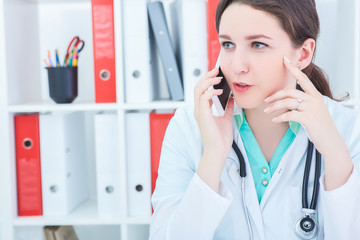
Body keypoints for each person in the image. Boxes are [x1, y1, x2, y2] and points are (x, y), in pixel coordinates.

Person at [149, 0, 360, 239]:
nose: (237, 65)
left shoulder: (349, 130)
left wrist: (335, 154)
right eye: (228, 44)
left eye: (258, 44)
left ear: (303, 53)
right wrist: (213, 155)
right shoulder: (189, 126)